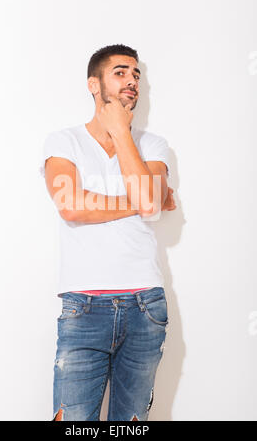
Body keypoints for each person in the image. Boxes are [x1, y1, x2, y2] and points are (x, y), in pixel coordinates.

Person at [40, 44, 176, 421]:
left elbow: (147, 204)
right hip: (83, 306)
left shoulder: (153, 145)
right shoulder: (63, 141)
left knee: (131, 425)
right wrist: (145, 199)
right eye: (120, 72)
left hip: (145, 306)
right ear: (93, 85)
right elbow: (71, 205)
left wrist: (121, 132)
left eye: (136, 74)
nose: (132, 81)